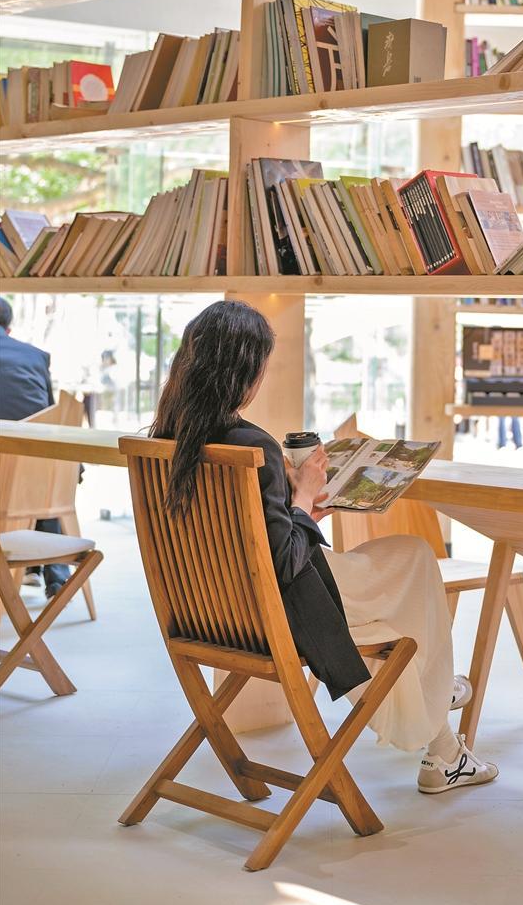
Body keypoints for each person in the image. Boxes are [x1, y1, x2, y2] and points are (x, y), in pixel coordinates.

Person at [151, 301, 498, 795]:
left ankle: (442, 739)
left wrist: (303, 513)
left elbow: (247, 542)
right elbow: (286, 563)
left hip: (214, 611)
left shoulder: (169, 440)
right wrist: (304, 495)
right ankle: (439, 699)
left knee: (389, 619)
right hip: (286, 609)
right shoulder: (252, 447)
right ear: (244, 372)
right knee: (416, 558)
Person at [0, 295, 70, 598]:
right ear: (9, 330)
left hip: (4, 479)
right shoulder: (36, 356)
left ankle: (32, 569)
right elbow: (50, 417)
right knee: (39, 470)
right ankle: (56, 577)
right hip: (35, 474)